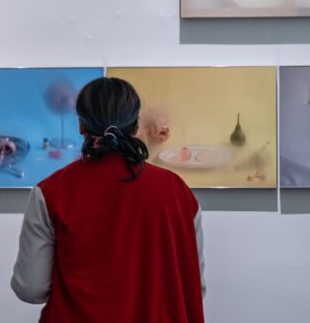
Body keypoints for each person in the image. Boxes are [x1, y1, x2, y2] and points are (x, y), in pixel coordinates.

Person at [11, 77, 206, 322]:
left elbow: (31, 288)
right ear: (136, 126)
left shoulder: (51, 191)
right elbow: (195, 286)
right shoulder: (178, 192)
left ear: (81, 126)